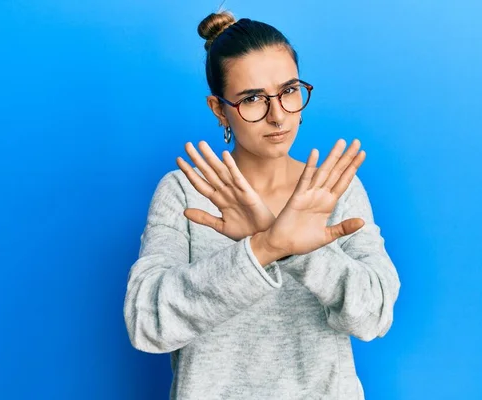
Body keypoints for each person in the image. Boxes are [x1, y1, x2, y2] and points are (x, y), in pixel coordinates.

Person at [123, 9, 401, 400]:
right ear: (219, 109)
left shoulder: (335, 187)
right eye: (252, 99)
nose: (277, 116)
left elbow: (374, 315)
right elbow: (146, 323)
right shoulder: (184, 192)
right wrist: (264, 247)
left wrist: (303, 253)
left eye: (289, 91)